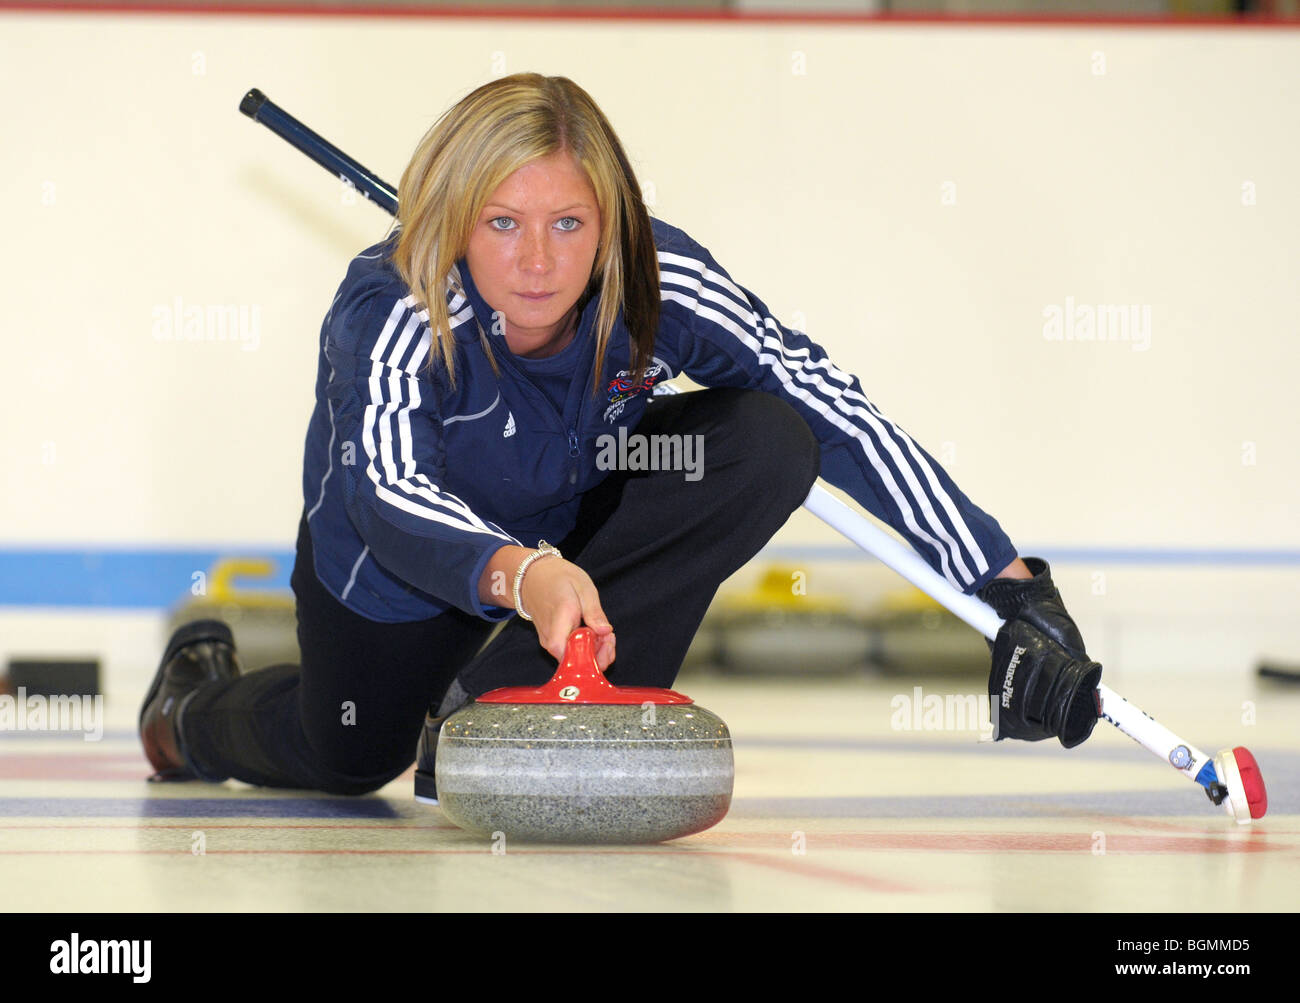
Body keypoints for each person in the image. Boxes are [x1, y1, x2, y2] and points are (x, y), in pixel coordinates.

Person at [140, 73, 1101, 798]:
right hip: (397, 574)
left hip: (570, 520)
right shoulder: (390, 302)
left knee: (768, 439)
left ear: (612, 223)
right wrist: (525, 574)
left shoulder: (650, 279)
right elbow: (387, 490)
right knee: (350, 757)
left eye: (568, 223)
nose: (537, 261)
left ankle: (505, 716)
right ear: (456, 219)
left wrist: (1007, 584)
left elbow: (824, 398)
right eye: (502, 222)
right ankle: (188, 709)